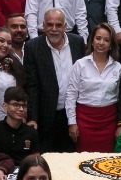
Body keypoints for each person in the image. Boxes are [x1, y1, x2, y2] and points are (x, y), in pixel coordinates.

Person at [22, 8, 86, 152]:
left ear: (65, 26)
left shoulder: (78, 42)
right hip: (46, 117)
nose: (54, 29)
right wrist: (32, 118)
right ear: (43, 26)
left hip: (73, 115)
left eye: (58, 25)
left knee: (70, 160)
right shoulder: (33, 47)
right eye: (50, 25)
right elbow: (32, 86)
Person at [64, 23, 121, 151]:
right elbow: (71, 94)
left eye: (106, 40)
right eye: (98, 38)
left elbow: (119, 98)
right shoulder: (80, 64)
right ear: (92, 41)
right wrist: (72, 122)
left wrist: (120, 124)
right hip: (84, 120)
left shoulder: (118, 67)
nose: (101, 43)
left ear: (111, 44)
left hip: (109, 121)